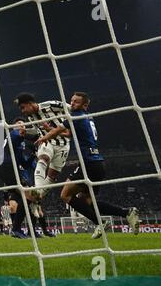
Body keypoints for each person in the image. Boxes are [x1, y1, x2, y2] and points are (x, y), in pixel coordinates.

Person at [35, 92, 140, 239]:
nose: (72, 104)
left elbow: (59, 129)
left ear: (84, 105)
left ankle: (99, 223)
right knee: (88, 202)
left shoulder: (76, 115)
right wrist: (49, 130)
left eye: (76, 102)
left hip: (89, 164)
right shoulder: (87, 117)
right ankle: (126, 212)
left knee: (65, 195)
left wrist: (44, 137)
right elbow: (69, 134)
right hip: (98, 163)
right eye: (71, 101)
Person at [14, 93, 71, 201]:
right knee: (43, 158)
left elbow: (71, 109)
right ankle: (37, 190)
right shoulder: (31, 117)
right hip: (46, 140)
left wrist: (71, 123)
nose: (22, 111)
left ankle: (37, 195)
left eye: (23, 107)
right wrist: (26, 131)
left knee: (52, 176)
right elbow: (37, 130)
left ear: (30, 104)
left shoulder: (51, 105)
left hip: (64, 144)